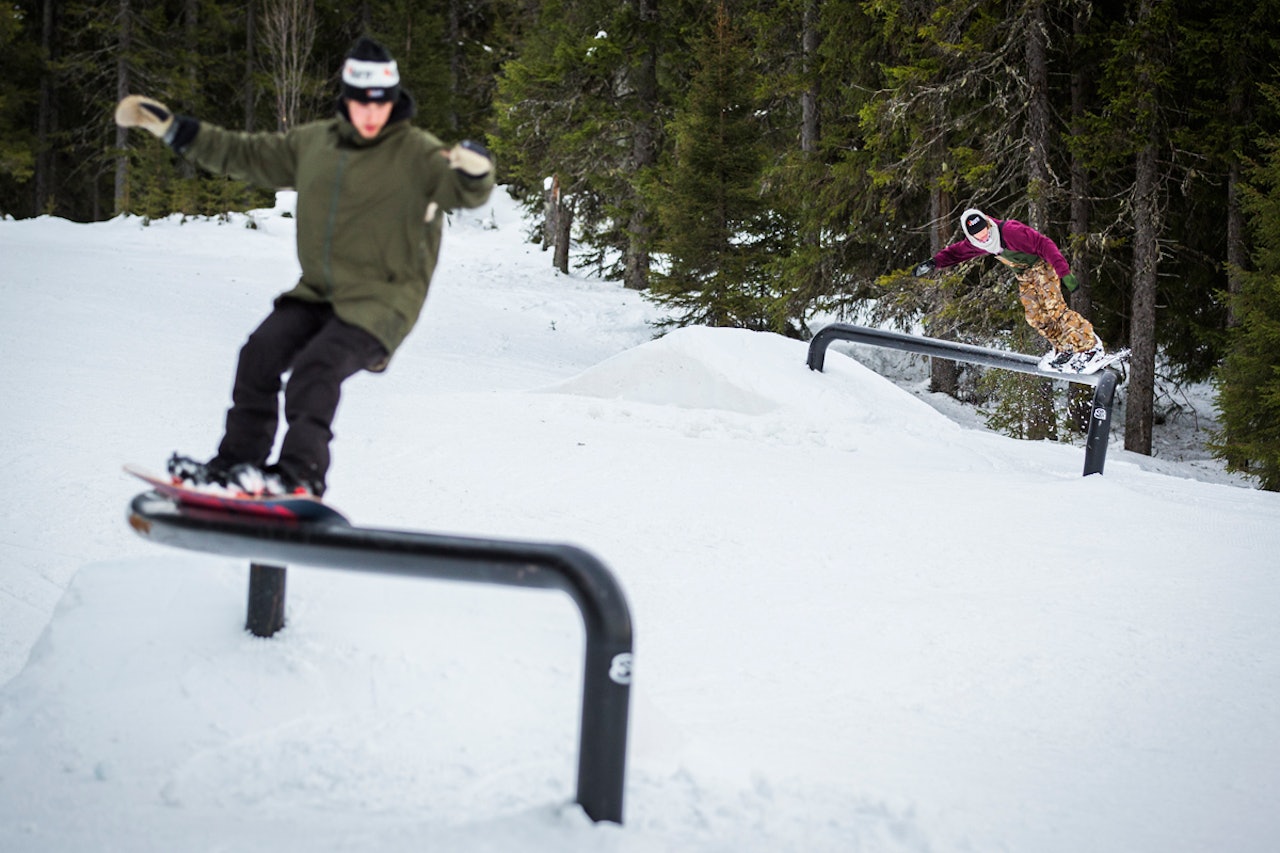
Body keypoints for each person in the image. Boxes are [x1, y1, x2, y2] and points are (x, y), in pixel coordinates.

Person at [115, 36, 495, 497]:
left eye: (381, 103)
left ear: (394, 100)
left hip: (384, 301)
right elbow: (244, 152)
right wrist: (175, 129)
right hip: (319, 293)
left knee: (316, 369)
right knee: (259, 353)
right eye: (362, 102)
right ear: (347, 98)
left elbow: (466, 191)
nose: (372, 113)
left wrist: (477, 171)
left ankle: (300, 476)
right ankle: (237, 466)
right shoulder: (314, 144)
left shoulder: (419, 154)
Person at [912, 208, 1106, 372]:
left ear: (988, 223)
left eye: (985, 230)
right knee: (1035, 317)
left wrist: (1064, 272)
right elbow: (956, 252)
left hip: (1042, 266)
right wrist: (934, 263)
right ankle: (1065, 347)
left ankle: (1089, 347)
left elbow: (1044, 244)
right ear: (971, 236)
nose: (984, 236)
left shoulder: (1010, 232)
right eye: (978, 235)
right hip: (1024, 275)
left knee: (1054, 309)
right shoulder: (976, 243)